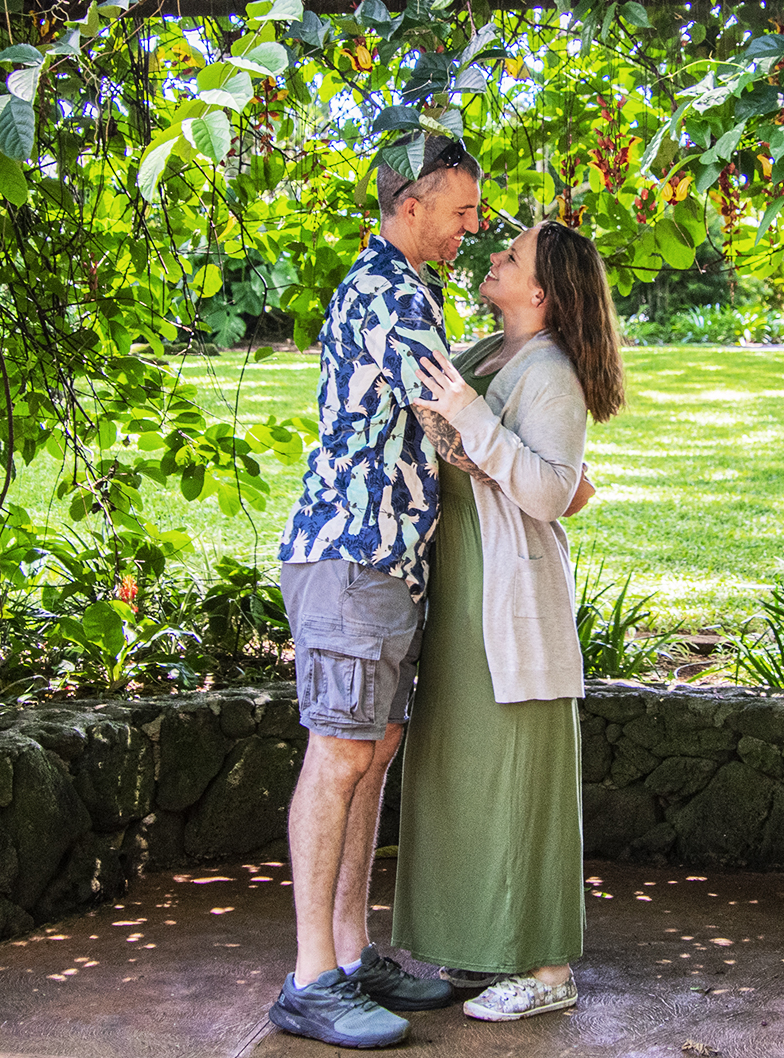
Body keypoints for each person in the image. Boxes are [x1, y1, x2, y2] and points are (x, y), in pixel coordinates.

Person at [267, 134, 488, 1050]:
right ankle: (311, 976)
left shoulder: (412, 289)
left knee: (373, 748)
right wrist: (547, 477)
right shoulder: (390, 293)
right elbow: (448, 425)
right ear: (414, 207)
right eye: (463, 210)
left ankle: (354, 953)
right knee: (340, 754)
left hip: (387, 563)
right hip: (351, 560)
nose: (473, 227)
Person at [390, 219, 625, 1022]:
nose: (494, 255)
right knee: (462, 771)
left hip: (510, 594)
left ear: (542, 291)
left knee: (519, 773)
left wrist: (472, 421)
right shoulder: (488, 353)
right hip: (458, 584)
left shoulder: (551, 369)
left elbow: (555, 491)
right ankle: (477, 948)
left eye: (512, 255)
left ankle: (547, 969)